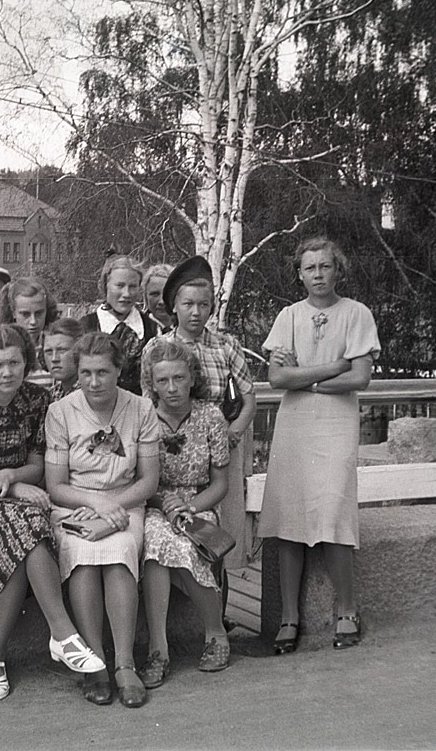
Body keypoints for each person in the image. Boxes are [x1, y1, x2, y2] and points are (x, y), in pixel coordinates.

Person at [0, 324, 104, 703]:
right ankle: (62, 632)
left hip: (19, 504)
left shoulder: (36, 400)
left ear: (25, 362)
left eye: (14, 363)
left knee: (20, 528)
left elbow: (36, 464)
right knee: (23, 522)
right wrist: (7, 487)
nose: (7, 372)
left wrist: (12, 475)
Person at [259, 237, 379, 653]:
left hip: (335, 426)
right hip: (294, 426)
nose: (318, 275)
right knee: (290, 517)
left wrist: (304, 378)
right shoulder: (289, 316)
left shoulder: (356, 314)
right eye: (310, 268)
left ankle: (347, 609)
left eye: (325, 267)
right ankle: (289, 616)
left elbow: (359, 378)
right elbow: (277, 380)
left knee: (333, 510)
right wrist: (329, 369)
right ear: (299, 274)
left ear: (337, 269)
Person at [46, 332, 160, 709]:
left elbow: (148, 480)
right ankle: (94, 663)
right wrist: (96, 503)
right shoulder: (61, 412)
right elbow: (56, 485)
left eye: (103, 372)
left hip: (126, 502)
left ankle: (125, 664)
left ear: (119, 371)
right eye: (86, 373)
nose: (94, 382)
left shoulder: (141, 409)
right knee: (81, 552)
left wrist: (114, 505)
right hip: (76, 505)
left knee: (121, 549)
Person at [142, 255, 257, 567]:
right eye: (188, 304)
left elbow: (249, 399)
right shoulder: (157, 348)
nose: (196, 312)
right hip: (172, 451)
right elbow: (147, 404)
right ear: (175, 307)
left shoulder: (225, 346)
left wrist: (233, 432)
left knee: (216, 533)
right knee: (172, 526)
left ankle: (221, 606)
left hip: (219, 449)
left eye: (203, 305)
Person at [139, 340, 231, 688]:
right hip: (156, 503)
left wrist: (190, 508)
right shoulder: (143, 415)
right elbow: (139, 478)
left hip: (200, 503)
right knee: (157, 544)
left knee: (176, 546)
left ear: (193, 377)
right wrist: (166, 505)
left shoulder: (211, 417)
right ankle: (158, 649)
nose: (172, 388)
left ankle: (215, 633)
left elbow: (220, 484)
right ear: (152, 383)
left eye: (179, 378)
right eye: (163, 381)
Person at [82, 255, 161, 393]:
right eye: (120, 285)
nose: (127, 294)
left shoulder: (153, 329)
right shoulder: (85, 327)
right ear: (105, 285)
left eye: (132, 286)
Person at [0, 277, 58, 388]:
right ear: (13, 312)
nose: (33, 321)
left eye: (39, 313)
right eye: (25, 314)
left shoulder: (55, 345)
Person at [42, 318, 86, 402]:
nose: (54, 359)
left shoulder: (92, 393)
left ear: (80, 351)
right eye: (49, 351)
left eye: (62, 350)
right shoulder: (49, 396)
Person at [143, 263, 174, 332]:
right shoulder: (138, 330)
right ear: (145, 296)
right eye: (155, 294)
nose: (162, 301)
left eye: (167, 294)